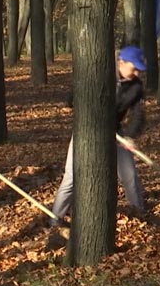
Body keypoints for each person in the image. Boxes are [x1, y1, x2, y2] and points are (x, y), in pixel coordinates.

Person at [50, 46, 148, 226]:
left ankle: (140, 214)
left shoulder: (136, 87)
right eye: (133, 68)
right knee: (72, 177)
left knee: (130, 176)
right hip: (87, 129)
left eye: (138, 69)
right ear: (121, 63)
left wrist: (131, 136)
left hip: (115, 131)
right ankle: (55, 219)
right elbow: (73, 97)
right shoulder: (101, 74)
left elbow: (138, 114)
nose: (135, 73)